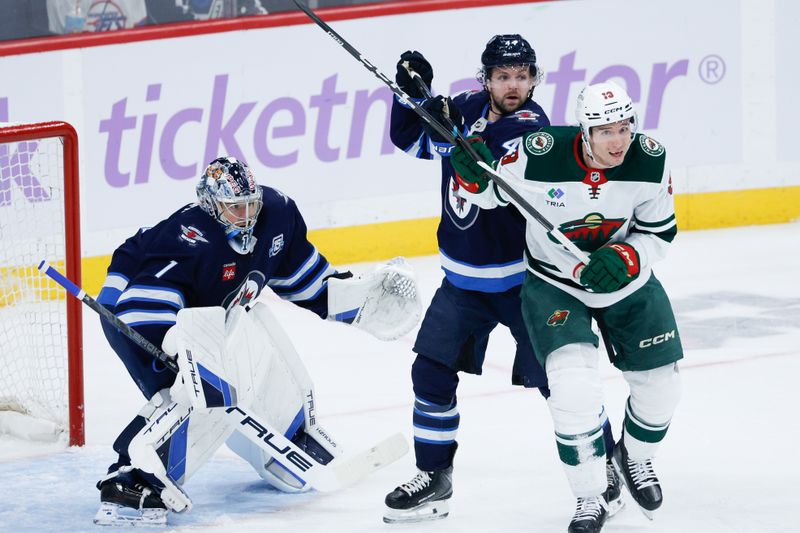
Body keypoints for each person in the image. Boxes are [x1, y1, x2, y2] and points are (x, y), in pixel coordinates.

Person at [94, 156, 421, 525]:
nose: (247, 214)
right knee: (198, 394)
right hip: (137, 325)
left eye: (251, 204)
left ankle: (287, 440)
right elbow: (141, 305)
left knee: (251, 346)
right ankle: (131, 479)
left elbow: (304, 279)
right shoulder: (190, 238)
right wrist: (177, 347)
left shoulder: (277, 215)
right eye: (235, 208)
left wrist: (356, 300)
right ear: (211, 206)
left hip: (210, 324)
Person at [383, 35, 620, 524]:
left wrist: (441, 116)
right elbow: (413, 141)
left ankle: (606, 468)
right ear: (486, 79)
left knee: (563, 385)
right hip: (461, 283)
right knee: (429, 373)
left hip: (524, 284)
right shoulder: (466, 107)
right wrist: (408, 97)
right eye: (503, 76)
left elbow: (482, 166)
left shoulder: (533, 128)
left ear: (534, 80)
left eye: (522, 76)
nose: (513, 86)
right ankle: (434, 476)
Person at [450, 81, 683, 533]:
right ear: (584, 131)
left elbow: (659, 232)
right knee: (573, 390)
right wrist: (472, 177)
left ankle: (634, 457)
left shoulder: (650, 160)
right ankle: (591, 496)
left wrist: (628, 255)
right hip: (556, 285)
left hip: (627, 283)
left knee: (662, 388)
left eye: (625, 128)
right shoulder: (541, 154)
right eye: (606, 131)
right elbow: (492, 191)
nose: (618, 142)